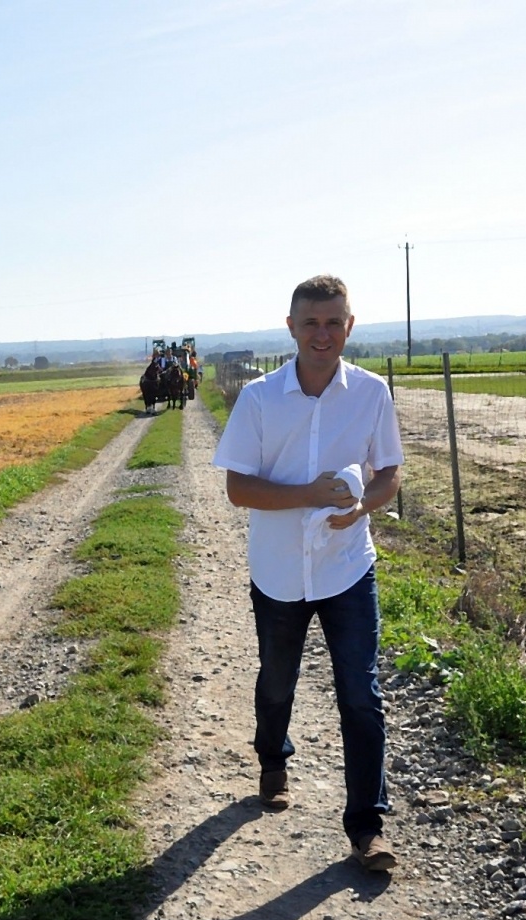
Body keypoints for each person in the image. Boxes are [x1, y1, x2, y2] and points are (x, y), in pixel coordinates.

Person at [211, 275, 404, 871]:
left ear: (350, 326)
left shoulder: (371, 393)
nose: (323, 334)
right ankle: (273, 757)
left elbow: (389, 474)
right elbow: (238, 488)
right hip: (278, 572)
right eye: (311, 322)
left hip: (348, 567)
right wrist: (308, 495)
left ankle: (366, 829)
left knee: (360, 695)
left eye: (334, 322)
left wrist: (361, 507)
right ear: (291, 327)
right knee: (277, 680)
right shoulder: (260, 399)